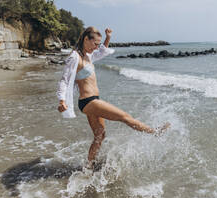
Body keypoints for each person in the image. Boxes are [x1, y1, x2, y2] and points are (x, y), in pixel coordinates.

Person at [57, 26, 170, 169]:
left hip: (92, 100)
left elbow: (102, 52)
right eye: (95, 43)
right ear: (86, 39)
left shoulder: (88, 55)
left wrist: (108, 37)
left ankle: (89, 166)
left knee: (100, 135)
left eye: (98, 44)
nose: (96, 47)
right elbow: (64, 80)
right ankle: (154, 132)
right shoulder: (75, 57)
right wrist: (62, 100)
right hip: (88, 101)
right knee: (124, 116)